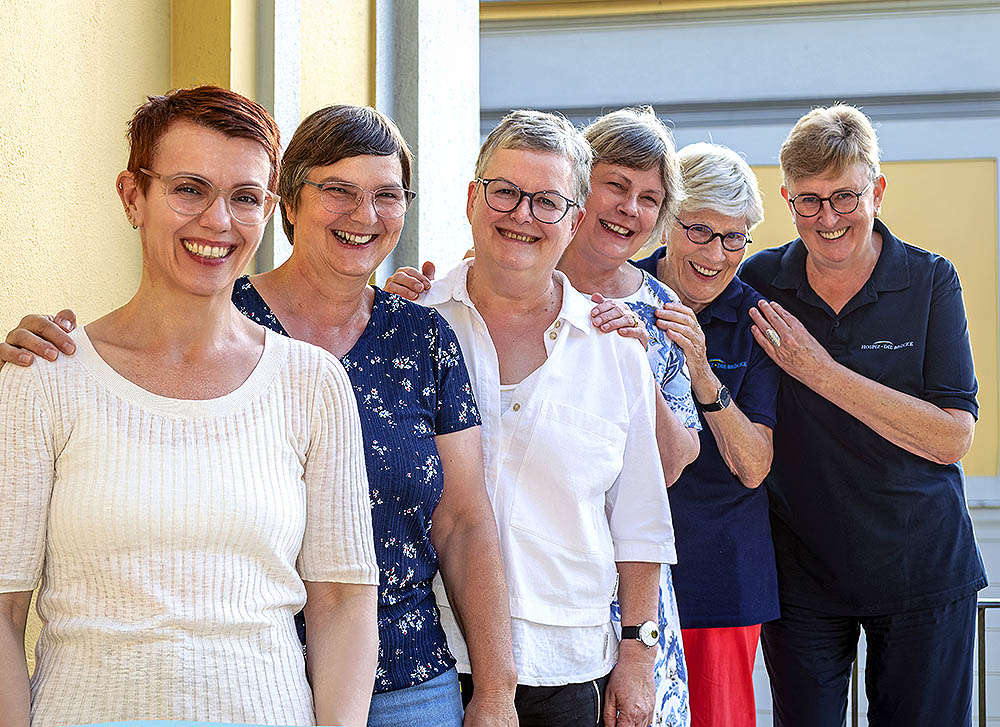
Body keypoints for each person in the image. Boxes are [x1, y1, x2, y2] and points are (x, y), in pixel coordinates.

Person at [0, 104, 518, 727]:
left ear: (266, 206)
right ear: (132, 195)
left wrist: (495, 691)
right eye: (189, 189)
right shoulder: (51, 376)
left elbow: (383, 574)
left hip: (344, 691)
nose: (217, 220)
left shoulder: (343, 367)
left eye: (243, 196)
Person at [388, 106, 701, 727]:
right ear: (473, 199)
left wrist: (638, 656)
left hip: (568, 665)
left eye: (547, 202)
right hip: (424, 657)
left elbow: (638, 517)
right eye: (505, 193)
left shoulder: (616, 347)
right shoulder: (412, 325)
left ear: (574, 219)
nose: (522, 216)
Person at [739, 104, 985, 726]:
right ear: (787, 197)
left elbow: (953, 437)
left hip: (921, 569)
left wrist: (821, 373)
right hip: (802, 579)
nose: (827, 219)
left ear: (876, 189)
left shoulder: (931, 281)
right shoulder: (760, 279)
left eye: (844, 197)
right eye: (808, 201)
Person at [631, 142, 780, 727]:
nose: (717, 255)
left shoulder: (754, 320)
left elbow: (754, 465)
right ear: (668, 221)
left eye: (735, 238)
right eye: (701, 232)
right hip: (617, 572)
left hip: (720, 577)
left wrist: (701, 373)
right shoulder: (620, 292)